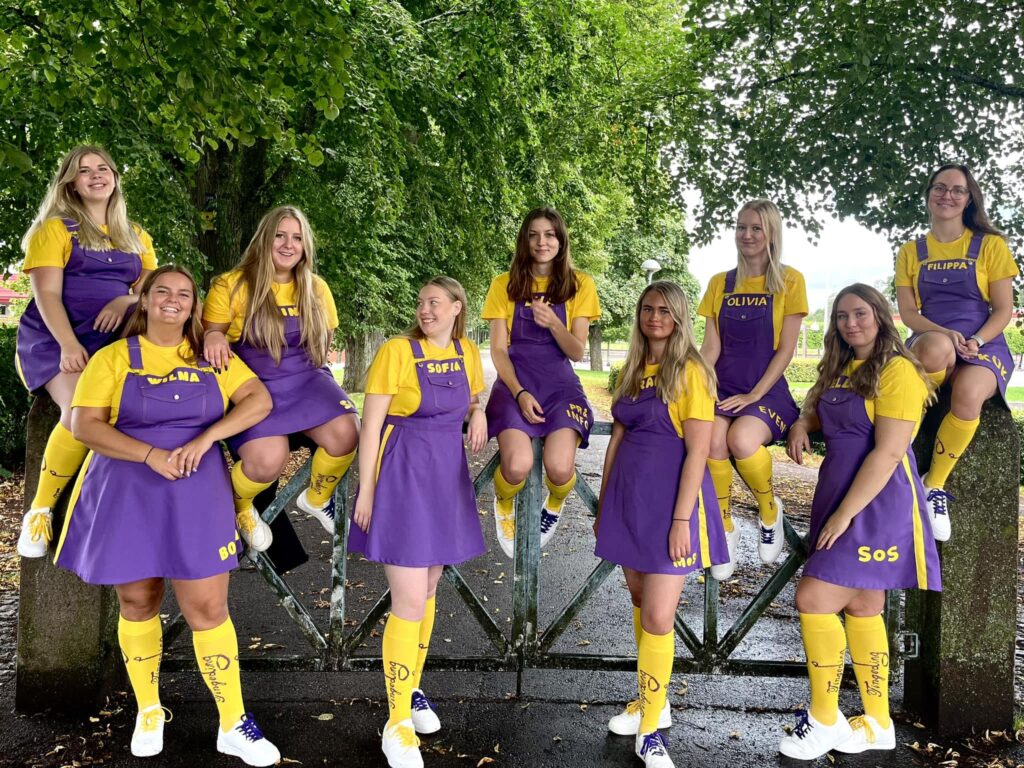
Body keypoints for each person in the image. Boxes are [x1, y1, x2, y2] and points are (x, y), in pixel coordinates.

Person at [52, 266, 280, 765]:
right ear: (145, 299)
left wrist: (209, 437)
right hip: (128, 489)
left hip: (197, 491)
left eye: (184, 294)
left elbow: (258, 400)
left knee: (208, 608)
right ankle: (149, 709)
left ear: (194, 307)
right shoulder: (113, 358)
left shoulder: (211, 356)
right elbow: (85, 425)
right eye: (162, 292)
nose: (172, 300)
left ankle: (232, 722)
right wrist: (150, 455)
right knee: (138, 600)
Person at [778, 284, 941, 761]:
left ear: (880, 316)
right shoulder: (842, 366)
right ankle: (878, 722)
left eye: (860, 314)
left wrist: (845, 515)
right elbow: (819, 407)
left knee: (813, 597)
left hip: (876, 502)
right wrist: (801, 423)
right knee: (865, 606)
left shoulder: (899, 371)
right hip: (839, 493)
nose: (851, 323)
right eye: (842, 316)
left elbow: (888, 453)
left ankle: (825, 718)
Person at [349, 276, 488, 768]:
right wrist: (367, 491)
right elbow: (371, 425)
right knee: (409, 600)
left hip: (445, 480)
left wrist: (478, 410)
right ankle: (397, 724)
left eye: (435, 302)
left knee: (428, 590)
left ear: (457, 307)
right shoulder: (397, 350)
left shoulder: (468, 352)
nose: (425, 310)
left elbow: (472, 397)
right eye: (421, 302)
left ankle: (409, 689)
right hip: (402, 474)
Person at [594, 281, 728, 768]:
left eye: (665, 310)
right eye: (648, 309)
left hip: (672, 503)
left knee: (658, 616)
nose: (655, 317)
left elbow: (697, 451)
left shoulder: (692, 371)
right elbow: (617, 439)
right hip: (628, 500)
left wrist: (681, 519)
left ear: (679, 317)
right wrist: (605, 502)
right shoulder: (632, 369)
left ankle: (651, 731)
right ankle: (653, 699)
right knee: (638, 600)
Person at [16, 145, 156, 558]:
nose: (96, 175)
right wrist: (68, 344)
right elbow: (46, 295)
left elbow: (150, 292)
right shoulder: (54, 229)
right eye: (84, 170)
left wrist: (125, 300)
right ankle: (40, 511)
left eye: (103, 168)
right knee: (80, 406)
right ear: (71, 184)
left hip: (113, 340)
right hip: (55, 336)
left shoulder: (137, 235)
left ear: (115, 177)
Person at [203, 206, 359, 551]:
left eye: (297, 238)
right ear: (264, 239)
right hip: (255, 384)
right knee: (267, 461)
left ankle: (317, 499)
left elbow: (324, 344)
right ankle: (240, 507)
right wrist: (212, 336)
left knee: (348, 432)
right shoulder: (231, 285)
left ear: (305, 246)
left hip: (305, 377)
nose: (289, 245)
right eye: (280, 235)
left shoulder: (317, 288)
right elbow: (211, 336)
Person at [895, 164, 1018, 542]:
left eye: (957, 190)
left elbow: (1004, 310)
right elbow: (909, 314)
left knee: (968, 393)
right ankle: (900, 446)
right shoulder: (911, 251)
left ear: (969, 199)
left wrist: (976, 340)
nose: (947, 195)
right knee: (935, 349)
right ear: (928, 195)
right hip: (931, 336)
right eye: (940, 187)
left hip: (984, 342)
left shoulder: (990, 246)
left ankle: (933, 485)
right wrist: (944, 333)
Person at [482, 206, 601, 558]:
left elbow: (577, 351)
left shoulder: (581, 284)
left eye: (549, 235)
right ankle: (504, 502)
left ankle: (554, 504)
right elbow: (498, 351)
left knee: (560, 468)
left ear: (561, 240)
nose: (541, 242)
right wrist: (518, 392)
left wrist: (553, 323)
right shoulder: (503, 284)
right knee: (516, 465)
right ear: (524, 240)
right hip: (515, 382)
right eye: (533, 235)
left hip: (560, 385)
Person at [698, 199, 807, 578]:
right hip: (724, 388)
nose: (747, 235)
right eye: (741, 227)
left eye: (756, 228)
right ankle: (724, 529)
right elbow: (710, 349)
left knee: (742, 441)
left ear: (771, 234)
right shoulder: (720, 283)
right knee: (712, 440)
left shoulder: (790, 281)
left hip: (766, 391)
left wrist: (756, 394)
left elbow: (786, 349)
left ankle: (769, 510)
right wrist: (696, 385)